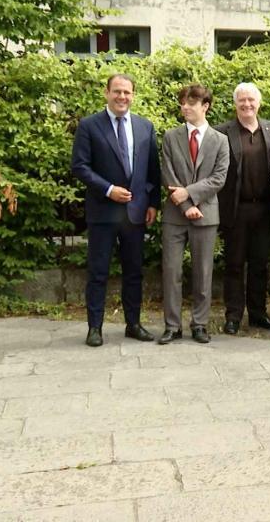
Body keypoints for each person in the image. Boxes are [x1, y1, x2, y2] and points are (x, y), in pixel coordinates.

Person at [71, 74, 160, 347]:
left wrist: (153, 203)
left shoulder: (145, 126)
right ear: (107, 92)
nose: (122, 97)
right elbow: (80, 166)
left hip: (135, 213)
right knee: (98, 272)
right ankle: (94, 328)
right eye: (117, 91)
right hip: (103, 211)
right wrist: (108, 189)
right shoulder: (89, 125)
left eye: (127, 92)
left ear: (133, 95)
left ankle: (133, 324)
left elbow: (153, 170)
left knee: (134, 272)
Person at [157, 84, 229, 344]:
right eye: (182, 103)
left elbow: (219, 178)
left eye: (190, 103)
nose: (184, 107)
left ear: (205, 106)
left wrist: (189, 194)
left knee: (203, 272)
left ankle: (199, 324)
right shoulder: (171, 136)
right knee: (171, 271)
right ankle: (172, 326)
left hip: (206, 214)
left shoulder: (220, 140)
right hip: (175, 215)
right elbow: (167, 173)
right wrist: (186, 205)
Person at [216, 83, 270, 335]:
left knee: (260, 264)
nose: (247, 104)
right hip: (236, 209)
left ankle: (257, 313)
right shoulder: (222, 132)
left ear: (259, 103)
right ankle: (233, 315)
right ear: (236, 104)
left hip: (264, 210)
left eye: (251, 100)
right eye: (242, 100)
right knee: (234, 264)